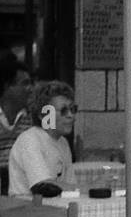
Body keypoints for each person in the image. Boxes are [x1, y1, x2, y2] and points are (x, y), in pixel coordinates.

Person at [9, 80, 76, 193]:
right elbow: (44, 186)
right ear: (43, 115)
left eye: (73, 109)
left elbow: (70, 187)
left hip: (52, 207)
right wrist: (89, 187)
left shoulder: (63, 142)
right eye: (63, 110)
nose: (70, 115)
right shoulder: (30, 140)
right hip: (25, 209)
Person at [0, 55, 33, 194]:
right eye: (25, 83)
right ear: (8, 86)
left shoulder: (34, 119)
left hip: (23, 193)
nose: (30, 88)